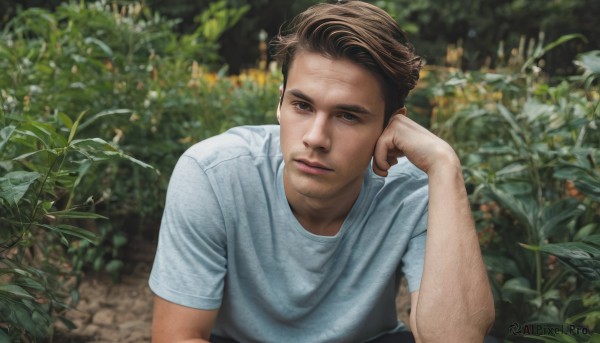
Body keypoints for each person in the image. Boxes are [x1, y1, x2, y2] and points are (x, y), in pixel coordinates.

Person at [149, 1, 495, 342]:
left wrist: (444, 165)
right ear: (280, 104)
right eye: (302, 105)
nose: (315, 138)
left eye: (348, 116)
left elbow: (456, 337)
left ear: (391, 125)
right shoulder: (214, 175)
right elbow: (177, 336)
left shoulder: (414, 190)